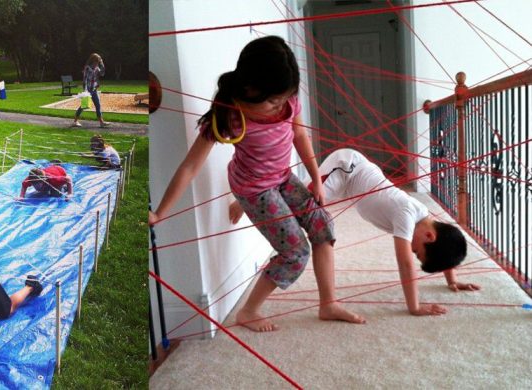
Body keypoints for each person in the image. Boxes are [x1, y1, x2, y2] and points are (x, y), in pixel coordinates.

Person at [148, 36, 364, 332]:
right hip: (254, 188)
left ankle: (328, 304)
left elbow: (300, 137)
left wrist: (315, 178)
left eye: (284, 98)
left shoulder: (289, 103)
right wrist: (160, 212)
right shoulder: (229, 117)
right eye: (273, 101)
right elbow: (190, 166)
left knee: (323, 226)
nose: (279, 107)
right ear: (249, 88)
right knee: (295, 251)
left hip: (282, 177)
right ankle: (248, 311)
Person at [229, 148, 480, 316]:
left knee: (309, 207)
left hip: (353, 183)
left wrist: (452, 278)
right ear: (428, 237)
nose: (412, 253)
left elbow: (447, 243)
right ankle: (249, 196)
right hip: (348, 168)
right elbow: (404, 262)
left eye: (416, 255)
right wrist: (414, 307)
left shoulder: (424, 223)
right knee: (306, 202)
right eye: (418, 252)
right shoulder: (407, 214)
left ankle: (258, 192)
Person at [72, 53, 110, 128]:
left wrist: (102, 64)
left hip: (94, 89)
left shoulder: (97, 68)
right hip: (88, 90)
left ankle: (101, 122)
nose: (97, 63)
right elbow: (84, 80)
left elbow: (102, 74)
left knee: (98, 105)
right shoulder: (87, 68)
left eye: (99, 62)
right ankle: (75, 121)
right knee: (84, 106)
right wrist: (85, 91)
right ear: (93, 61)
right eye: (97, 61)